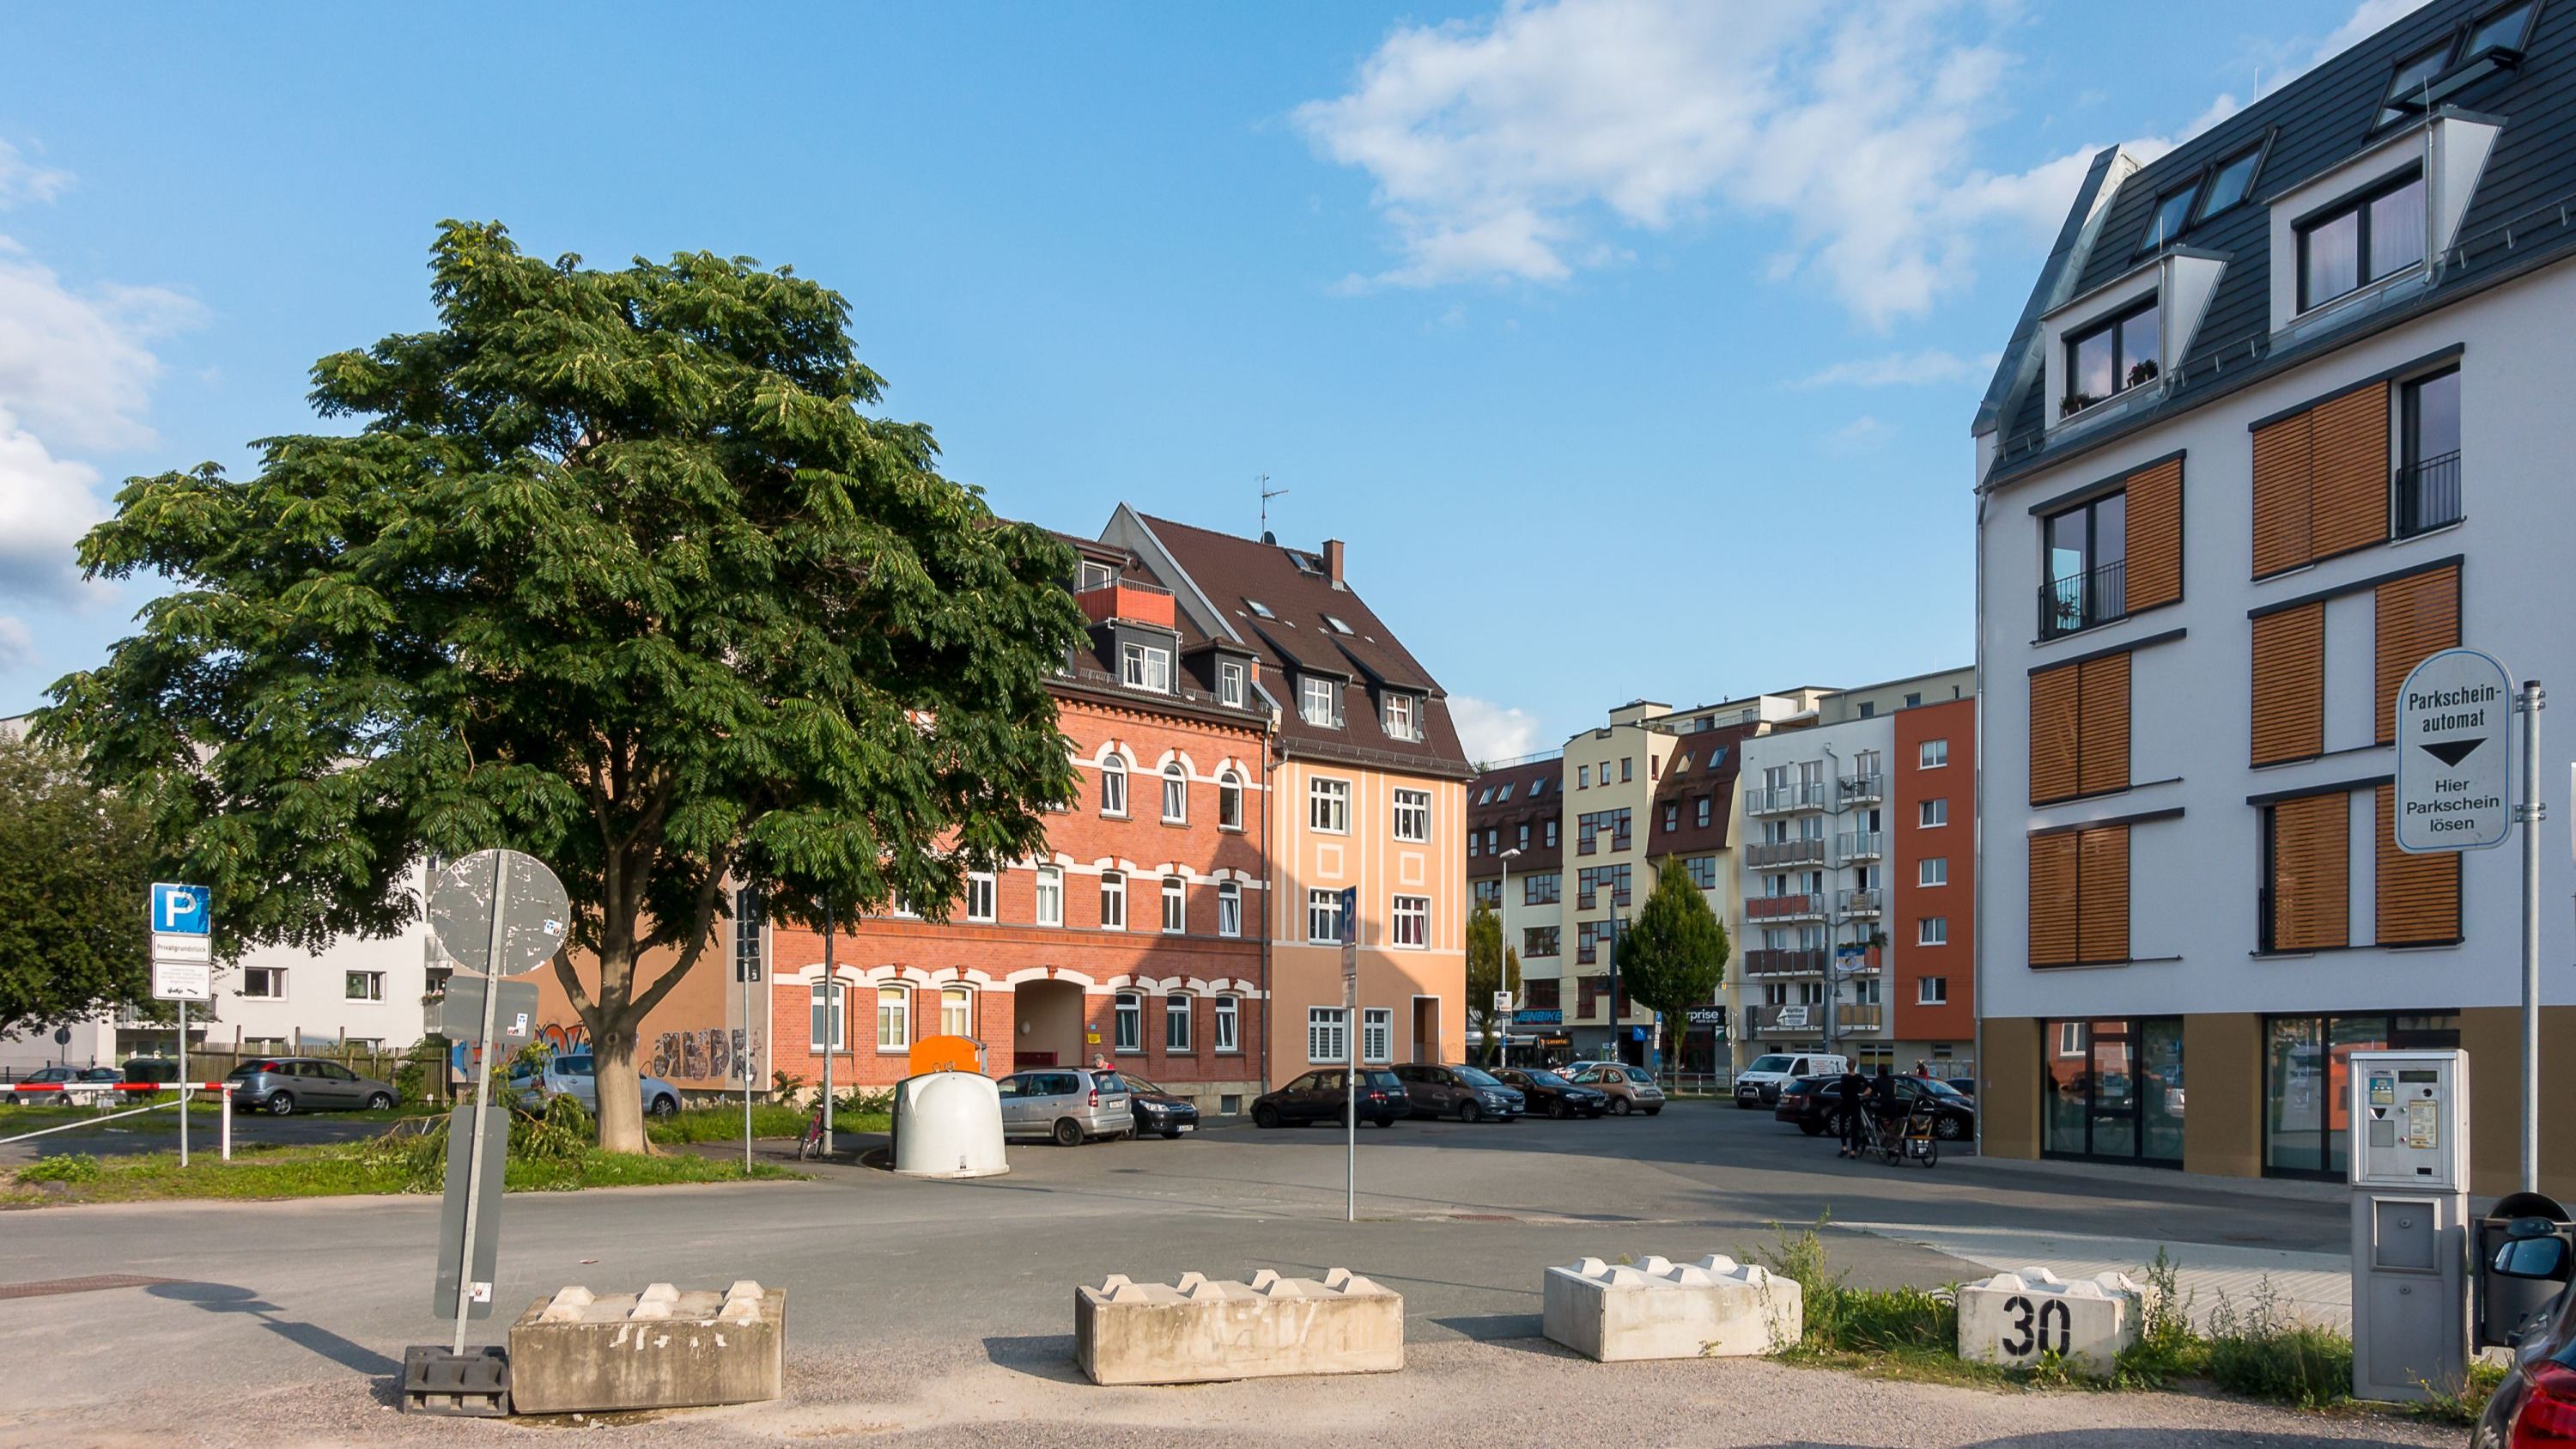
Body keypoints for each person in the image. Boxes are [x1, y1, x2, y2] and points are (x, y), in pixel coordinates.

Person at [1836, 1064, 1870, 1158]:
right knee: (1855, 1127)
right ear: (1854, 1066)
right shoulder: (1859, 1076)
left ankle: (1844, 1148)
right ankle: (1853, 1151)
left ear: (1847, 1066)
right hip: (1856, 1102)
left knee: (1842, 1124)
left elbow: (1841, 1090)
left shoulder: (1844, 1077)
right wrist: (1864, 1094)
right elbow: (1869, 1085)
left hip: (1846, 1102)